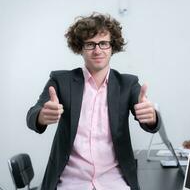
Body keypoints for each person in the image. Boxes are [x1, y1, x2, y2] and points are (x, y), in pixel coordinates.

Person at [26, 12, 160, 190]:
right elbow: (32, 115)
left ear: (112, 47)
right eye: (90, 44)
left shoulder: (128, 84)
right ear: (80, 48)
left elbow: (148, 117)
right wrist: (41, 116)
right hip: (70, 181)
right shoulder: (61, 81)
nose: (97, 50)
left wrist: (151, 117)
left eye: (103, 43)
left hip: (115, 180)